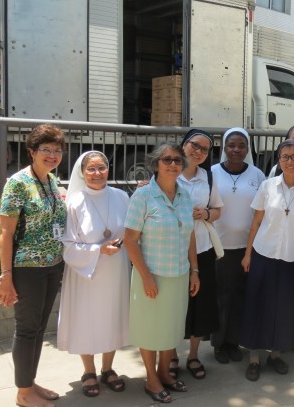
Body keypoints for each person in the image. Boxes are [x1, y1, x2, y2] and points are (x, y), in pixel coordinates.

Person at [0, 124, 67, 407]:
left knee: (38, 329)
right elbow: (6, 233)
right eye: (46, 150)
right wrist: (6, 276)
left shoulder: (52, 181)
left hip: (52, 265)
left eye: (57, 150)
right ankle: (23, 394)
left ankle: (30, 382)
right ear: (32, 151)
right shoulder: (17, 183)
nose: (52, 155)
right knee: (26, 329)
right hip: (27, 269)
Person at [124, 142, 200, 404]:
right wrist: (145, 276)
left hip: (179, 275)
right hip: (151, 276)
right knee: (150, 329)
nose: (172, 164)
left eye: (177, 160)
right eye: (166, 160)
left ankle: (164, 373)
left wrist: (195, 270)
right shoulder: (142, 197)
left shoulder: (185, 196)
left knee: (171, 328)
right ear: (156, 164)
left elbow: (189, 235)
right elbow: (130, 240)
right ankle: (151, 379)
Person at [240, 139, 294, 381]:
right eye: (284, 157)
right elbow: (256, 221)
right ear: (278, 160)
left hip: (291, 259)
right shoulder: (267, 186)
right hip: (263, 254)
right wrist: (248, 253)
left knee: (283, 310)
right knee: (257, 306)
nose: (289, 161)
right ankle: (254, 358)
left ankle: (275, 355)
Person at [57, 151, 130, 397]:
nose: (97, 173)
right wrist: (98, 250)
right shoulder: (74, 202)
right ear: (82, 172)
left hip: (116, 270)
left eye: (102, 168)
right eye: (91, 169)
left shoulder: (121, 196)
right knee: (87, 320)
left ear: (109, 169)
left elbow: (132, 232)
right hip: (86, 273)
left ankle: (108, 369)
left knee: (113, 316)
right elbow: (67, 243)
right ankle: (89, 371)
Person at [171, 129, 224, 380]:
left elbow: (218, 210)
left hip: (202, 248)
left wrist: (205, 214)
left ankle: (193, 356)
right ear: (184, 144)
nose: (199, 152)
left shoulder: (208, 177)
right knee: (174, 305)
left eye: (205, 149)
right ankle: (170, 356)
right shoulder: (169, 172)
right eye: (195, 145)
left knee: (199, 306)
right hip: (171, 249)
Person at [210, 128, 266, 364]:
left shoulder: (257, 175)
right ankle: (219, 343)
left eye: (241, 145)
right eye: (231, 145)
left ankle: (234, 342)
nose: (236, 150)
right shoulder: (211, 172)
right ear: (224, 147)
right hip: (217, 246)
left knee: (240, 296)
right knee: (221, 296)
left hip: (246, 247)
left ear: (247, 149)